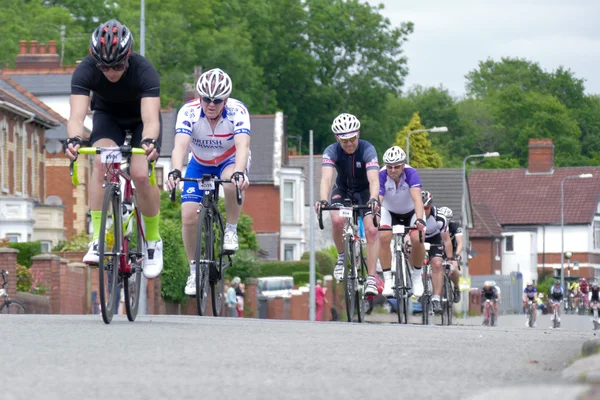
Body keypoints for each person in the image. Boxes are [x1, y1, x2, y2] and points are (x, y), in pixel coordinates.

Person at [64, 19, 163, 279]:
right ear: (95, 62)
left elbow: (152, 120)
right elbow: (76, 116)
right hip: (108, 118)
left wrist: (150, 143)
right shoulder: (85, 71)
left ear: (128, 58)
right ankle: (98, 239)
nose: (111, 72)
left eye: (118, 65)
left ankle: (153, 241)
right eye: (104, 67)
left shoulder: (144, 70)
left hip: (141, 121)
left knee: (141, 174)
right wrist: (74, 139)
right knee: (102, 164)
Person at [165, 68, 251, 296]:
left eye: (217, 100)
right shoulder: (188, 112)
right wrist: (175, 170)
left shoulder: (238, 111)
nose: (211, 104)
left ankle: (230, 228)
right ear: (199, 97)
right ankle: (194, 270)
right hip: (200, 162)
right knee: (187, 215)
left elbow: (243, 146)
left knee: (231, 182)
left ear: (226, 99)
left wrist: (240, 172)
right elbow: (180, 146)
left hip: (229, 160)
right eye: (206, 99)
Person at [314, 113, 381, 298]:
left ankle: (372, 279)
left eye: (352, 139)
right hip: (342, 191)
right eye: (345, 141)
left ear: (358, 134)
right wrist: (322, 200)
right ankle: (342, 257)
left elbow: (374, 179)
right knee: (337, 220)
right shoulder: (331, 151)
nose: (350, 144)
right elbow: (326, 179)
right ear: (337, 139)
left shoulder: (368, 149)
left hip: (366, 193)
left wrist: (374, 198)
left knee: (372, 230)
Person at [377, 146, 427, 298]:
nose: (392, 170)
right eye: (389, 166)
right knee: (383, 237)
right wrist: (375, 219)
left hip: (411, 212)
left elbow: (417, 199)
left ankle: (417, 277)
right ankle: (387, 280)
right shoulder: (381, 174)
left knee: (417, 238)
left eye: (396, 166)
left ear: (403, 164)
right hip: (389, 211)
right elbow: (378, 199)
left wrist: (419, 219)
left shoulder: (411, 173)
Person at [415, 191, 453, 313]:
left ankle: (436, 298)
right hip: (419, 237)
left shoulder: (439, 217)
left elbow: (446, 240)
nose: (424, 211)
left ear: (430, 206)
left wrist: (450, 259)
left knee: (437, 263)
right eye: (421, 208)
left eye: (426, 208)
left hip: (435, 238)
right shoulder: (413, 215)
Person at [437, 206, 463, 303]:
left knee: (454, 268)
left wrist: (456, 255)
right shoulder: (436, 225)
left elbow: (460, 242)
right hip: (438, 249)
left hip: (452, 251)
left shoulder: (455, 226)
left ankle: (456, 288)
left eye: (447, 220)